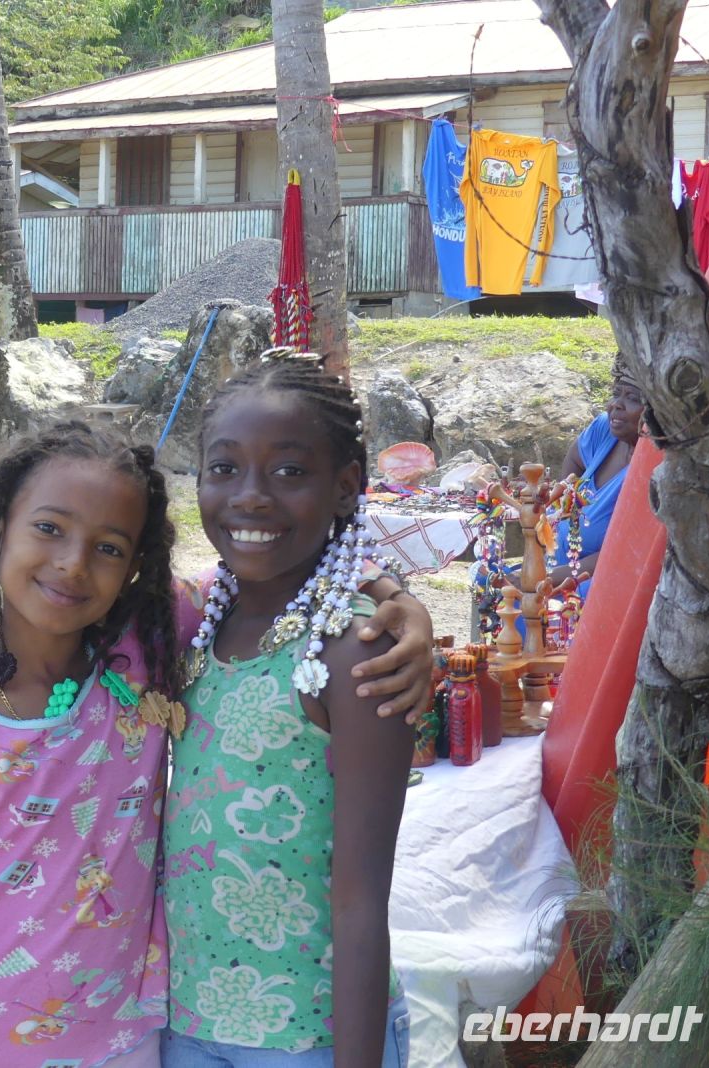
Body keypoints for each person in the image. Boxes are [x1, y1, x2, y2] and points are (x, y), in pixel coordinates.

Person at [0, 420, 433, 1067]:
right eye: (49, 528)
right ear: (1, 526)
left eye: (109, 547)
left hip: (134, 1039)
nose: (73, 564)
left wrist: (395, 596)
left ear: (135, 567)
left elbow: (268, 561)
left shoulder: (140, 656)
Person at [163, 356, 415, 1067]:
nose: (250, 497)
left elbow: (362, 900)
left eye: (289, 472)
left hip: (311, 1036)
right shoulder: (202, 622)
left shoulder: (356, 651)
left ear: (346, 487)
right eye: (224, 468)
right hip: (189, 1021)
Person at [547, 370, 645, 592]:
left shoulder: (652, 465)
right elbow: (575, 458)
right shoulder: (605, 429)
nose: (616, 405)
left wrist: (548, 578)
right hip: (556, 567)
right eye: (616, 394)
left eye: (632, 398)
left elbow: (626, 553)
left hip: (598, 582)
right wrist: (561, 509)